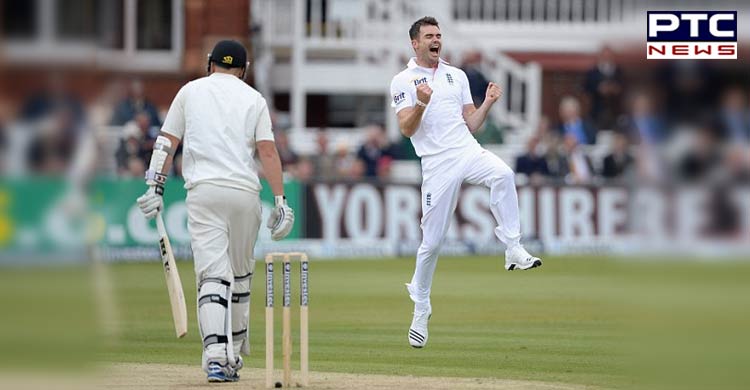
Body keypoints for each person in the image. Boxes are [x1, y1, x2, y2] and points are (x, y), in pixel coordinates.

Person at [136, 40, 294, 383]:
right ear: (244, 69)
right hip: (244, 194)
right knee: (239, 278)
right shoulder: (254, 99)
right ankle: (233, 354)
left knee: (213, 277)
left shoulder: (190, 91)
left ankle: (215, 357)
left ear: (210, 64)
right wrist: (281, 200)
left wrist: (154, 186)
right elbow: (267, 151)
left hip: (204, 192)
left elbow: (166, 142)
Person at [389, 17, 541, 349]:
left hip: (466, 150)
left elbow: (470, 123)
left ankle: (512, 247)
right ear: (415, 43)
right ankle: (421, 306)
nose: (436, 40)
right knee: (431, 243)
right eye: (429, 36)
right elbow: (406, 129)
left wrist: (487, 102)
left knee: (503, 173)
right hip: (436, 164)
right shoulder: (402, 81)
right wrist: (422, 103)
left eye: (438, 35)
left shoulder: (455, 75)